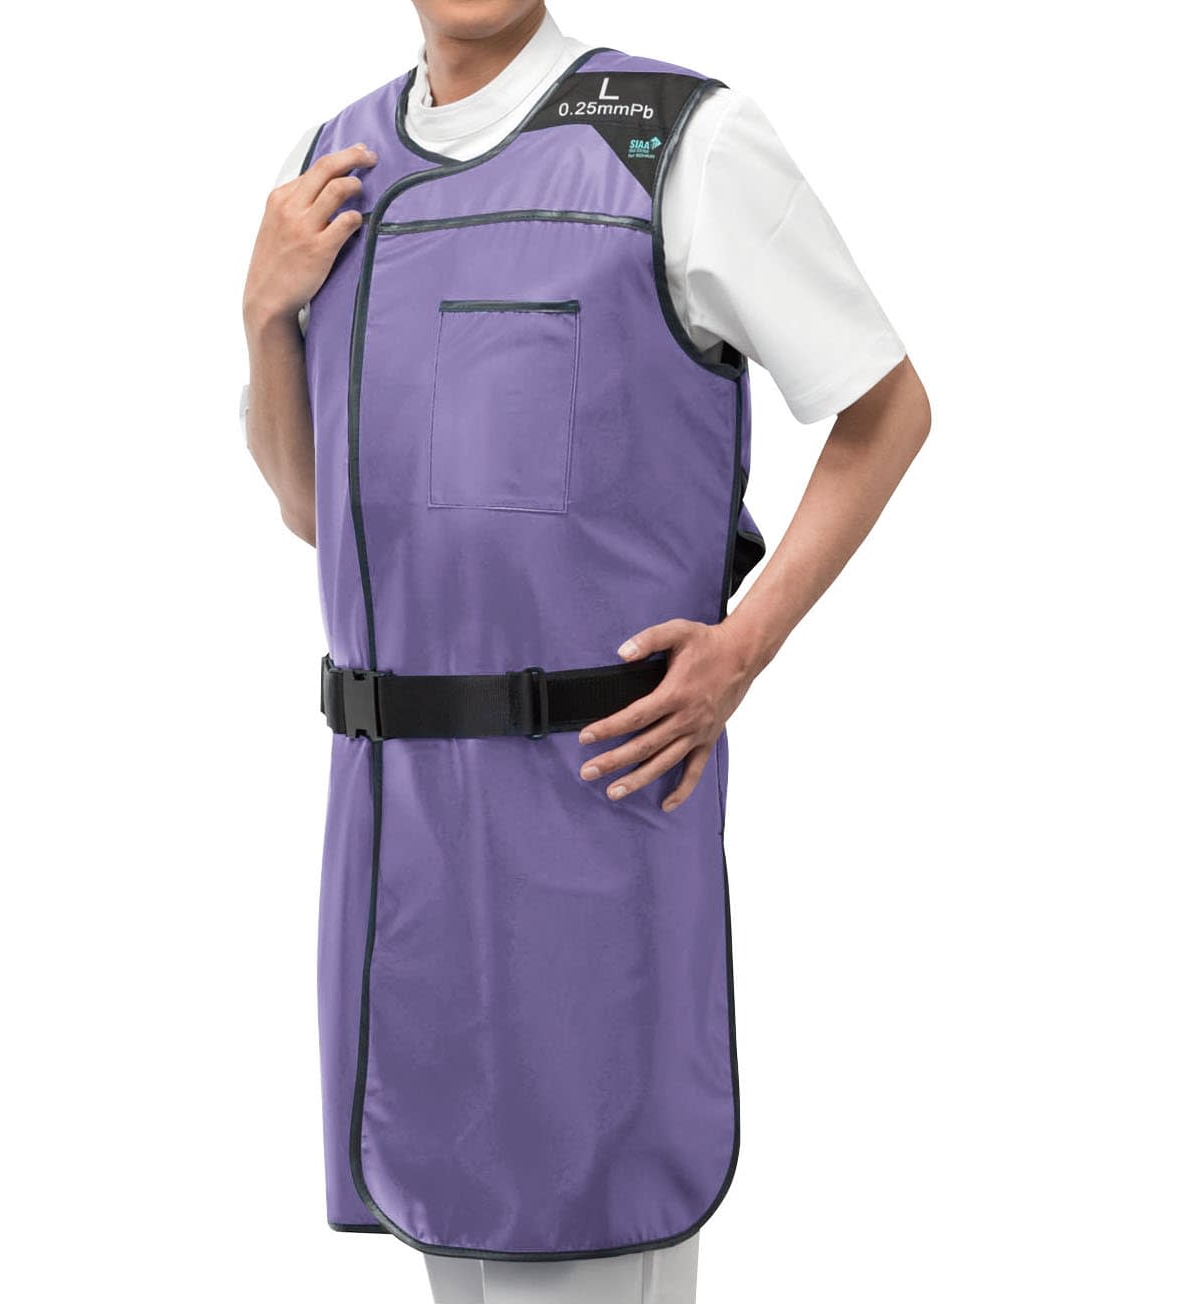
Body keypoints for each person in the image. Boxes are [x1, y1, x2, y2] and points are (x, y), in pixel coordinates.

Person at [241, 3, 930, 1301]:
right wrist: (264, 313)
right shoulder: (329, 166)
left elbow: (885, 406)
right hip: (397, 824)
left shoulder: (677, 143)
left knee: (591, 1229)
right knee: (450, 1233)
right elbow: (314, 510)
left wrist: (742, 649)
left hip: (590, 802)